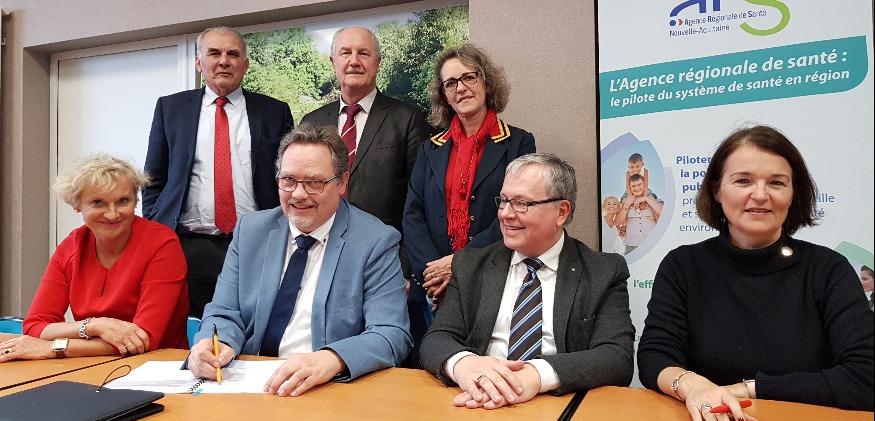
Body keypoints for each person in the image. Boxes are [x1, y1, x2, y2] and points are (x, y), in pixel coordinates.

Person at [637, 125, 875, 420]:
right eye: (743, 181)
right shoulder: (683, 265)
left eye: (776, 183)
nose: (760, 195)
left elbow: (867, 376)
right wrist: (693, 385)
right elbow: (655, 356)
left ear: (793, 194)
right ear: (717, 190)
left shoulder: (829, 270)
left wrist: (747, 389)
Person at [186, 124, 411, 397]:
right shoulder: (251, 231)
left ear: (342, 183)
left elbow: (390, 334)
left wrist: (333, 358)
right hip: (248, 384)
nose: (298, 194)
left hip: (327, 390)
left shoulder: (375, 241)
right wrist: (213, 344)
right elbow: (223, 312)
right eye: (289, 180)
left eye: (314, 182)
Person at [420, 153, 634, 409]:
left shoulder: (602, 271)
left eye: (521, 203)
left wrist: (536, 374)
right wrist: (465, 364)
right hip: (479, 403)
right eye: (504, 201)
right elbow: (437, 338)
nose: (505, 214)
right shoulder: (471, 265)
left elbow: (616, 357)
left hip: (558, 406)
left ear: (561, 212)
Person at [143, 26, 294, 318]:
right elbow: (153, 179)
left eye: (233, 54)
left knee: (253, 324)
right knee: (188, 327)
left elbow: (288, 177)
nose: (224, 61)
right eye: (214, 53)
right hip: (186, 245)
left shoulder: (274, 112)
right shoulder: (171, 108)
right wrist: (155, 228)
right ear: (199, 63)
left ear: (245, 65)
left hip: (256, 243)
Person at [404, 43, 536, 366]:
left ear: (487, 82)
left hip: (492, 280)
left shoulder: (518, 142)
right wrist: (434, 275)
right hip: (435, 290)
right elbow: (412, 215)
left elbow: (516, 213)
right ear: (444, 96)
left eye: (468, 77)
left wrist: (459, 266)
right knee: (437, 376)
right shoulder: (430, 149)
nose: (460, 88)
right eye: (450, 83)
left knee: (487, 375)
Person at [1, 154, 189, 363]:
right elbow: (35, 325)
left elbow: (144, 339)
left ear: (136, 200)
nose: (112, 214)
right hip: (89, 364)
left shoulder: (162, 243)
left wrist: (54, 347)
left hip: (157, 367)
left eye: (123, 201)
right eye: (98, 203)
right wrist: (94, 325)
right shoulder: (71, 247)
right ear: (76, 204)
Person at [301, 27, 427, 277]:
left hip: (384, 257)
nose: (354, 61)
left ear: (377, 63)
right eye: (345, 53)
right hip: (318, 254)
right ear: (333, 62)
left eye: (364, 53)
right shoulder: (311, 122)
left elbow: (419, 201)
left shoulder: (407, 119)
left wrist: (405, 267)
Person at [615, 173, 664, 254]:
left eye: (639, 185)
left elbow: (663, 215)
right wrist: (627, 204)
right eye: (633, 186)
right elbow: (617, 222)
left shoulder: (655, 200)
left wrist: (646, 199)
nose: (637, 188)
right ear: (629, 188)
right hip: (631, 246)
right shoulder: (624, 203)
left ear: (644, 185)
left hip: (652, 244)